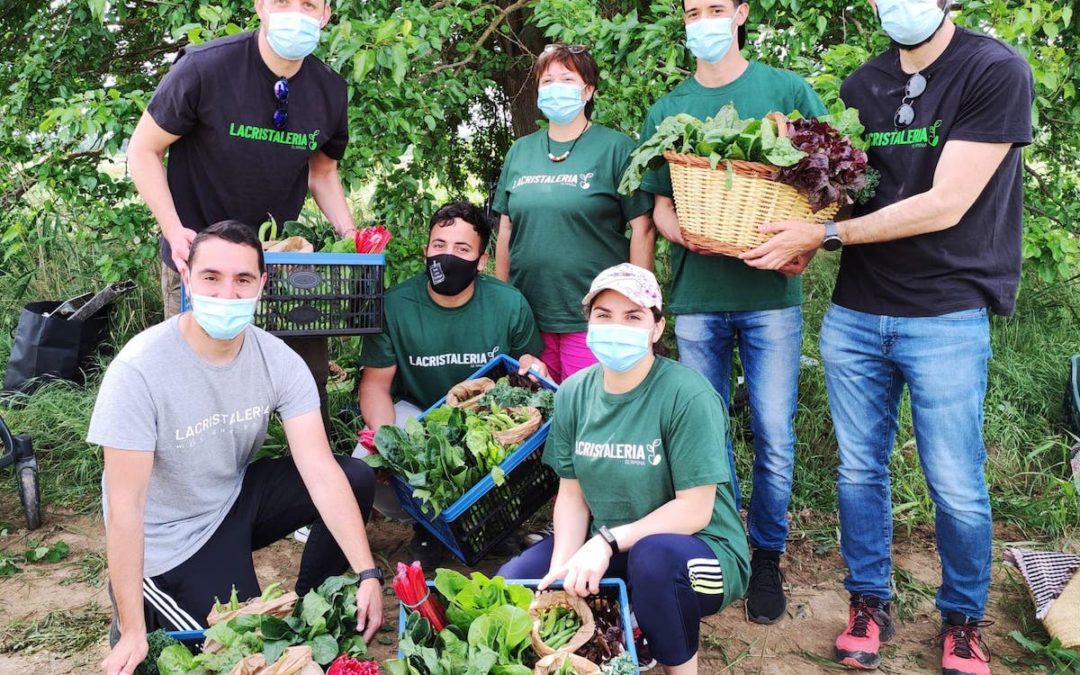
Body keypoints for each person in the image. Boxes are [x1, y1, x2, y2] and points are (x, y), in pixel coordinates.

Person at [739, 1, 1033, 672]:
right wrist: (796, 155)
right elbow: (845, 193)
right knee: (858, 471)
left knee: (955, 481)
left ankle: (962, 618)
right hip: (857, 313)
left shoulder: (994, 70)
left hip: (948, 315)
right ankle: (868, 601)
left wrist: (827, 234)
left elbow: (946, 202)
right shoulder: (860, 86)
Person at [90, 221, 383, 675]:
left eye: (243, 279)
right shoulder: (140, 369)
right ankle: (140, 613)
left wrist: (368, 572)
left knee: (353, 476)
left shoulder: (278, 360)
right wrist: (132, 629)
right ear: (186, 277)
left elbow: (321, 472)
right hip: (170, 537)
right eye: (211, 277)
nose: (227, 294)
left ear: (262, 286)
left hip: (231, 498)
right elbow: (126, 508)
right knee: (238, 648)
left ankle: (310, 608)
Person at [635, 0, 826, 624]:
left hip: (770, 300)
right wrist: (684, 232)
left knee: (774, 434)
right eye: (693, 11)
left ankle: (767, 554)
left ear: (741, 12)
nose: (704, 21)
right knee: (705, 438)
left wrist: (806, 242)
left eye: (716, 8)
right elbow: (658, 207)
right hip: (697, 301)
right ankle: (725, 547)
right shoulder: (667, 109)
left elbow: (827, 189)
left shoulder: (786, 89)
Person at [498, 263, 749, 675]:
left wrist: (607, 541)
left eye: (633, 316)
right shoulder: (575, 393)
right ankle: (629, 622)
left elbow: (695, 510)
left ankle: (676, 663)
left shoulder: (688, 396)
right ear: (589, 325)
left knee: (653, 563)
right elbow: (572, 495)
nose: (617, 326)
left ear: (656, 328)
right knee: (517, 580)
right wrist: (563, 569)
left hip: (703, 553)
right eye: (604, 315)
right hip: (613, 546)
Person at [127, 0, 356, 429]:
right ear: (260, 6)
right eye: (282, 1)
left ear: (325, 14)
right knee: (195, 388)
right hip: (199, 258)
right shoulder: (205, 68)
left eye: (308, 4)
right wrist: (175, 232)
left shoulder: (329, 90)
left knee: (303, 376)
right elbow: (143, 150)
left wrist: (352, 235)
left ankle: (301, 476)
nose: (295, 13)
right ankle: (196, 483)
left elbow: (323, 171)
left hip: (279, 261)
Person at [355, 201, 547, 567]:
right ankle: (426, 525)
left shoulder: (508, 304)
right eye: (439, 245)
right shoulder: (396, 305)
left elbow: (527, 371)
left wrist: (532, 368)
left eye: (461, 249)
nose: (447, 256)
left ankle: (501, 522)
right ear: (426, 249)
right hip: (419, 415)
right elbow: (375, 386)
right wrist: (388, 443)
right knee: (366, 459)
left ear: (481, 259)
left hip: (487, 418)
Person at [493, 43, 655, 383]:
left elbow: (643, 228)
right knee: (534, 415)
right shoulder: (520, 151)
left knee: (588, 411)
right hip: (529, 318)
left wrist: (638, 305)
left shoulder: (616, 148)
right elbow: (505, 229)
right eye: (547, 80)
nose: (556, 88)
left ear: (588, 89)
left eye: (567, 79)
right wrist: (502, 300)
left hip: (595, 316)